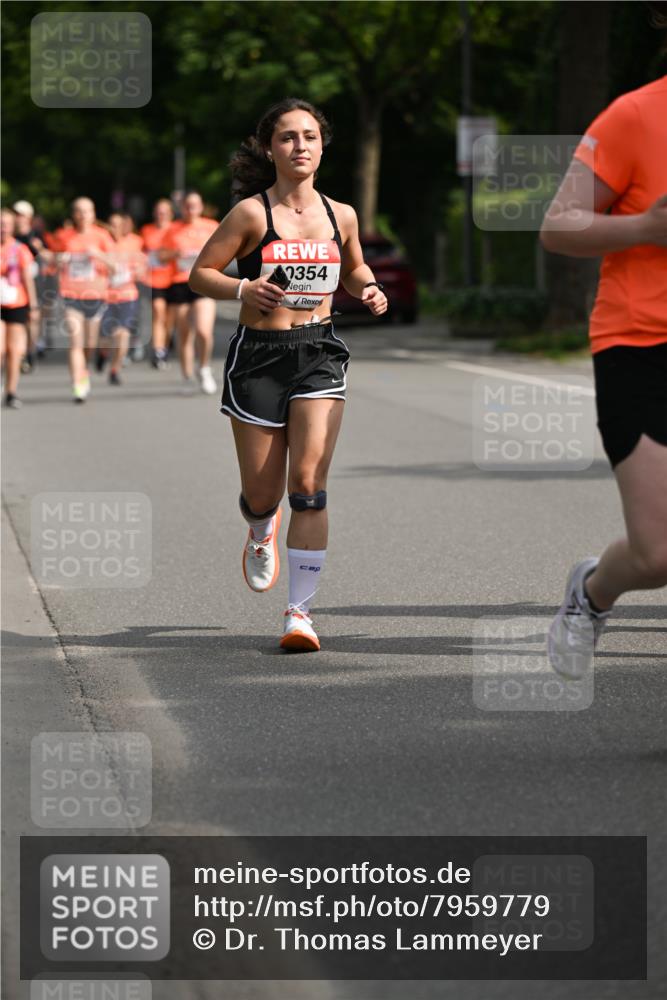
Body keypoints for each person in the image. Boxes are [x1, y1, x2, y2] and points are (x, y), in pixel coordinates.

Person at [190, 97, 387, 651]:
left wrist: (369, 287)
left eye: (310, 136)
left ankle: (299, 614)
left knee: (308, 485)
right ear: (269, 149)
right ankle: (260, 528)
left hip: (318, 351)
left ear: (322, 148)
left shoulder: (341, 214)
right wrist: (242, 288)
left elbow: (353, 266)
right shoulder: (252, 214)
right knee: (263, 493)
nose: (300, 146)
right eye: (287, 137)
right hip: (259, 356)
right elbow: (200, 274)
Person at [541, 73, 667, 678]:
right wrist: (643, 228)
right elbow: (557, 224)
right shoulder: (635, 115)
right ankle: (592, 593)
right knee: (658, 553)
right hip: (640, 345)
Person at [51, 198, 115, 403]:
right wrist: (59, 260)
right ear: (73, 214)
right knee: (75, 341)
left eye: (87, 211)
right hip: (70, 293)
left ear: (93, 214)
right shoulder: (64, 236)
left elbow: (116, 266)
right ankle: (78, 385)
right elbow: (52, 263)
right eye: (79, 211)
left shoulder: (102, 236)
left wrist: (99, 255)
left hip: (95, 295)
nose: (83, 215)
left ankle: (84, 369)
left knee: (89, 344)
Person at [161, 192, 218, 393]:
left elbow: (226, 250)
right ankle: (187, 377)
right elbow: (160, 256)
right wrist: (173, 254)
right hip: (180, 284)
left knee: (204, 330)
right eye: (187, 205)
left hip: (204, 282)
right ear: (181, 208)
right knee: (184, 334)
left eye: (194, 205)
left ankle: (204, 368)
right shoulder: (172, 229)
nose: (191, 209)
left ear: (201, 207)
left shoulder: (211, 227)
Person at [98, 212, 147, 385]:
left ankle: (115, 370)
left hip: (127, 296)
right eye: (112, 224)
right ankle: (103, 354)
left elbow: (142, 266)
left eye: (119, 224)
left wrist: (138, 270)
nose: (115, 228)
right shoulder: (101, 243)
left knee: (123, 334)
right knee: (105, 339)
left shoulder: (134, 242)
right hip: (104, 297)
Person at [1, 208, 39, 407]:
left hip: (17, 303)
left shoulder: (20, 249)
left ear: (13, 227)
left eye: (6, 224)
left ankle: (11, 392)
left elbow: (27, 279)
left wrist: (33, 306)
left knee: (14, 351)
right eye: (0, 224)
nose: (3, 228)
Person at [140, 199, 176, 369]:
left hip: (175, 278)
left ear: (171, 214)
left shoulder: (176, 229)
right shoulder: (146, 230)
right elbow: (141, 253)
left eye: (165, 212)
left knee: (170, 319)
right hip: (154, 279)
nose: (161, 215)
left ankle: (165, 344)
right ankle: (158, 350)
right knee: (158, 312)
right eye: (158, 211)